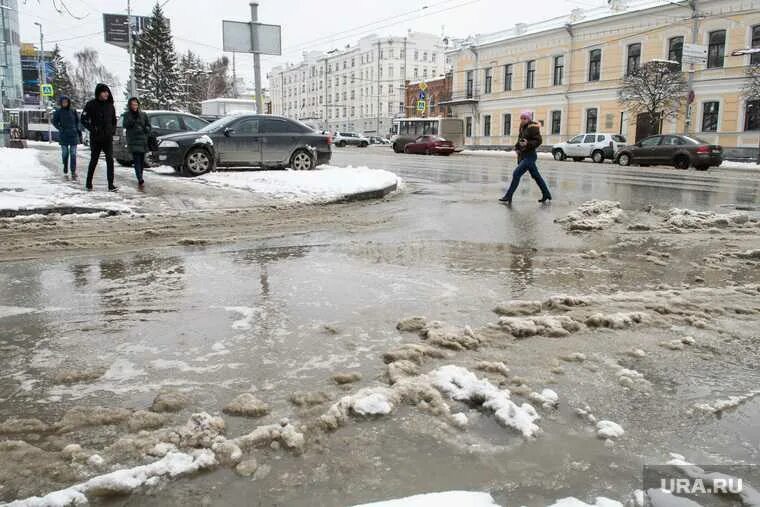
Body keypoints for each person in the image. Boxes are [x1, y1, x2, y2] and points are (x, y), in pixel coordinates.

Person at [499, 111, 552, 204]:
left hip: (530, 156)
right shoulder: (522, 127)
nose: (523, 120)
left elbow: (539, 141)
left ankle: (508, 196)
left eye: (525, 118)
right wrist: (516, 147)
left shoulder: (533, 128)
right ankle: (546, 194)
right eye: (522, 118)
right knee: (536, 176)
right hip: (523, 156)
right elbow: (520, 140)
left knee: (516, 173)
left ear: (529, 119)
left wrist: (528, 144)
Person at [81, 83, 117, 191]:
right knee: (94, 160)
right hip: (96, 138)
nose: (106, 94)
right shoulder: (91, 104)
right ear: (99, 93)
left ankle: (111, 184)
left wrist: (112, 130)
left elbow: (114, 120)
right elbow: (83, 119)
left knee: (110, 160)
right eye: (104, 91)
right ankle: (88, 182)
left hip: (107, 137)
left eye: (107, 92)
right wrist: (93, 129)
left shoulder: (110, 105)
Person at [122, 97, 151, 188]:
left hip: (142, 140)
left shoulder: (143, 114)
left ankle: (140, 176)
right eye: (133, 104)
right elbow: (125, 125)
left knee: (141, 161)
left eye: (136, 104)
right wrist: (132, 120)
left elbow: (148, 126)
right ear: (130, 105)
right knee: (136, 160)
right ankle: (139, 178)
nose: (135, 106)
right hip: (133, 140)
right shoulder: (127, 115)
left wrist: (146, 129)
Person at [52, 96, 81, 178]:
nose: (65, 103)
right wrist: (60, 128)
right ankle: (65, 165)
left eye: (66, 102)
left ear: (68, 102)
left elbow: (77, 121)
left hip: (73, 135)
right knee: (65, 153)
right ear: (61, 103)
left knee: (73, 154)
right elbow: (54, 122)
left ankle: (73, 171)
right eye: (63, 102)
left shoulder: (73, 111)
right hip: (64, 135)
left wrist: (76, 129)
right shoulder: (58, 112)